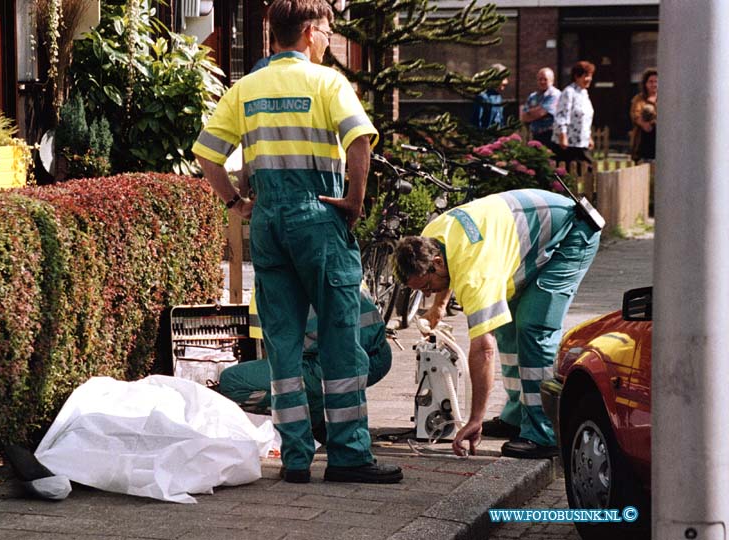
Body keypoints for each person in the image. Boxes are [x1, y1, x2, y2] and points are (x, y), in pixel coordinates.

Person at [192, 0, 402, 484]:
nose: (330, 38)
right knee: (339, 335)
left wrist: (234, 203)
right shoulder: (328, 83)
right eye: (328, 30)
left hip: (267, 221)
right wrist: (354, 200)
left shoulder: (245, 88)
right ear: (309, 32)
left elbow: (207, 154)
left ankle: (295, 460)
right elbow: (359, 141)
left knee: (282, 345)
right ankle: (349, 455)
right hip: (319, 216)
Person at [394, 189, 600, 459]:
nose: (429, 293)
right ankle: (515, 417)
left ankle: (544, 433)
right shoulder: (431, 236)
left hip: (573, 231)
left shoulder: (474, 271)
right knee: (505, 323)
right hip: (528, 231)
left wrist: (475, 419)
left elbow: (484, 350)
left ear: (436, 263)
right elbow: (448, 269)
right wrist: (439, 306)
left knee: (533, 327)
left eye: (428, 287)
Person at [218, 286, 392, 445]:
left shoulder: (293, 292)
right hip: (372, 353)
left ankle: (315, 429)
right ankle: (322, 429)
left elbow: (298, 361)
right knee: (296, 380)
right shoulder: (327, 276)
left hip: (352, 359)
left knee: (241, 381)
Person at [552, 61, 596, 165]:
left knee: (588, 171)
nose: (589, 79)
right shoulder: (569, 92)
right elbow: (562, 115)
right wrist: (563, 136)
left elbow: (585, 118)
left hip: (581, 142)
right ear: (577, 76)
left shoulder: (584, 93)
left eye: (590, 76)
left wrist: (588, 137)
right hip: (568, 143)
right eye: (586, 76)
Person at [520, 67, 561, 149]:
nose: (542, 82)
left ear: (552, 81)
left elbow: (541, 112)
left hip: (551, 136)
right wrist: (537, 112)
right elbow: (523, 117)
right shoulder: (532, 96)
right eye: (540, 79)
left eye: (545, 79)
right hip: (535, 136)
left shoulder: (555, 95)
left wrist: (531, 113)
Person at [629, 68, 657, 163]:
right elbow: (635, 114)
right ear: (645, 83)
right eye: (651, 82)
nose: (654, 84)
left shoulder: (666, 98)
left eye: (656, 81)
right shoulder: (639, 98)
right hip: (643, 139)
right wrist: (644, 124)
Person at [471, 64, 509, 129]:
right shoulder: (483, 97)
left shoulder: (498, 97)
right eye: (503, 78)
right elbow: (476, 123)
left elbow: (500, 121)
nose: (506, 81)